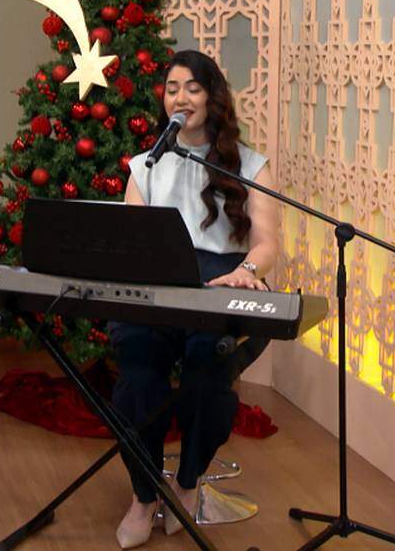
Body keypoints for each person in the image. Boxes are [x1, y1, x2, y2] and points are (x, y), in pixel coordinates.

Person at [113, 49, 279, 549]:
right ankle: (144, 495)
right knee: (137, 378)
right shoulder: (145, 165)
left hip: (221, 283)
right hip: (160, 285)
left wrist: (245, 272)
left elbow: (267, 244)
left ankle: (187, 483)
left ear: (212, 97)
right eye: (172, 88)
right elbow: (131, 242)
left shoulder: (249, 165)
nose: (180, 98)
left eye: (192, 88)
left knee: (207, 379)